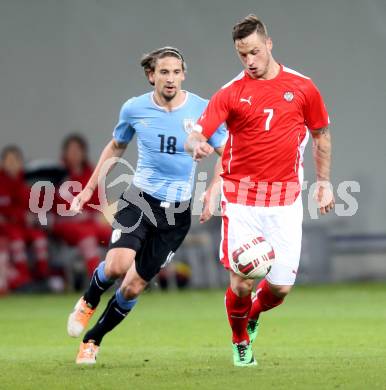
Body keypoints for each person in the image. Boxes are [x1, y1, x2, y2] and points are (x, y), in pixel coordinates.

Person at [185, 14, 334, 366]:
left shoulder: (303, 87)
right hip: (242, 201)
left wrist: (325, 182)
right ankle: (239, 341)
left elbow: (321, 135)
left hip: (285, 203)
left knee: (280, 290)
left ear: (269, 44)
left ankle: (251, 316)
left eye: (254, 52)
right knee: (241, 282)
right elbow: (198, 131)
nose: (249, 61)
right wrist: (196, 144)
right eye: (242, 55)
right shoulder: (232, 92)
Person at [66, 46, 226, 364]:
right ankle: (89, 299)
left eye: (176, 72)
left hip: (176, 213)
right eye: (163, 72)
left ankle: (93, 339)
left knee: (133, 286)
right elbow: (116, 147)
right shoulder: (134, 109)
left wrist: (213, 189)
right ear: (151, 75)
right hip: (140, 198)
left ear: (183, 75)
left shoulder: (202, 109)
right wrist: (88, 189)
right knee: (116, 265)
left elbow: (227, 153)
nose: (170, 79)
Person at [52, 134, 111, 279]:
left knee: (116, 235)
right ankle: (97, 280)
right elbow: (53, 206)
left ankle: (124, 277)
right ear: (64, 153)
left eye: (78, 150)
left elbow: (98, 204)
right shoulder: (57, 175)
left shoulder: (91, 174)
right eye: (71, 150)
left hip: (90, 222)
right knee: (87, 235)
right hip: (67, 224)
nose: (75, 154)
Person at [0, 145, 50, 289]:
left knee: (40, 239)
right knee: (17, 242)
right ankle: (24, 280)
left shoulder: (25, 185)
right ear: (3, 163)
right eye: (8, 160)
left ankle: (43, 276)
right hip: (7, 229)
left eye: (15, 160)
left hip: (22, 226)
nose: (12, 164)